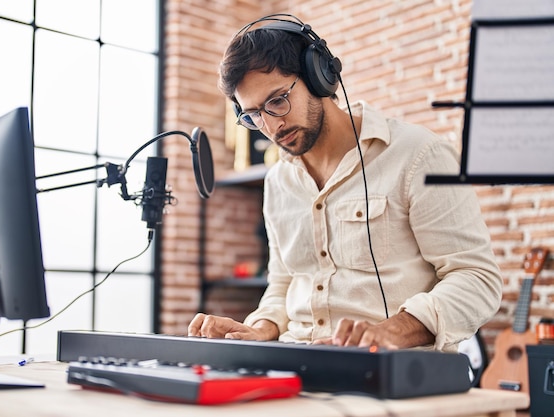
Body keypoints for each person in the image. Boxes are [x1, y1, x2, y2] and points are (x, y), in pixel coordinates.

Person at [188, 15, 502, 351]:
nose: (271, 126)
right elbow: (284, 281)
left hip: (390, 370)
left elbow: (478, 280)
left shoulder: (420, 155)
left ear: (318, 75)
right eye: (253, 115)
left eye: (277, 101)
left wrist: (391, 332)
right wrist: (262, 327)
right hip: (296, 361)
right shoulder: (279, 180)